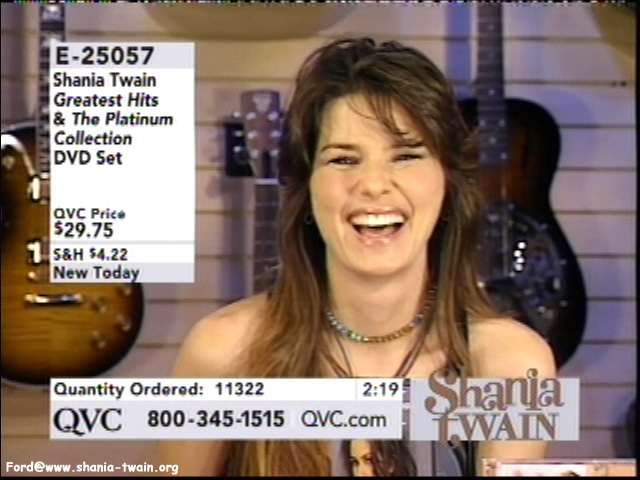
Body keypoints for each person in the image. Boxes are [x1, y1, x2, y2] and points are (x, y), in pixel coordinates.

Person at [159, 37, 556, 476]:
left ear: (448, 184)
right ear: (306, 189)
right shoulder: (222, 352)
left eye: (406, 156)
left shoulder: (515, 365)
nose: (374, 185)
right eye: (344, 160)